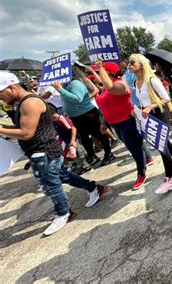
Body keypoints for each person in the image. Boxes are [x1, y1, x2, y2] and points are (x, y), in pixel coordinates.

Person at [0, 72, 108, 236]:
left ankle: (64, 212)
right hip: (44, 150)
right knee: (62, 176)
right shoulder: (23, 102)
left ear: (12, 87)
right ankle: (94, 188)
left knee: (51, 183)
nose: (1, 97)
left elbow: (27, 132)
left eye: (1, 92)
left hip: (43, 151)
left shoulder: (29, 103)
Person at [128, 54, 172, 194]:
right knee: (165, 142)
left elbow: (166, 98)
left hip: (160, 114)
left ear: (141, 64)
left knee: (162, 146)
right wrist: (138, 110)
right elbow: (143, 101)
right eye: (128, 62)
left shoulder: (152, 80)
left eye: (132, 62)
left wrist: (150, 107)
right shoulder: (136, 83)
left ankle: (169, 179)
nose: (129, 65)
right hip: (149, 117)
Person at [90, 61, 149, 190]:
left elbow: (111, 87)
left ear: (108, 73)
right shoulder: (105, 87)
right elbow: (107, 106)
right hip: (115, 123)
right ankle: (148, 158)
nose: (97, 76)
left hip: (127, 121)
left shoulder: (121, 85)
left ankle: (142, 173)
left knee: (134, 149)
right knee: (133, 145)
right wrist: (103, 123)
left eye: (100, 72)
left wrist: (100, 67)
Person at [53, 66, 115, 167]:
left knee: (99, 134)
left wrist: (61, 90)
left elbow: (77, 99)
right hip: (76, 117)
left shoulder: (75, 83)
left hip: (87, 114)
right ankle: (91, 155)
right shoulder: (65, 85)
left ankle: (109, 153)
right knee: (84, 138)